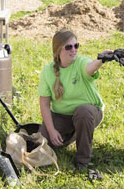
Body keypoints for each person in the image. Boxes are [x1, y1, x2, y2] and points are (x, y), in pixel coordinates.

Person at [38, 29, 111, 176]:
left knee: (83, 113)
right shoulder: (48, 71)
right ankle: (73, 134)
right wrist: (51, 131)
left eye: (76, 45)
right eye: (69, 47)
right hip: (62, 115)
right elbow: (44, 104)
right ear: (58, 50)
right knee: (43, 141)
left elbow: (90, 68)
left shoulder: (81, 62)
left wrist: (101, 59)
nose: (74, 50)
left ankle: (83, 160)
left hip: (89, 112)